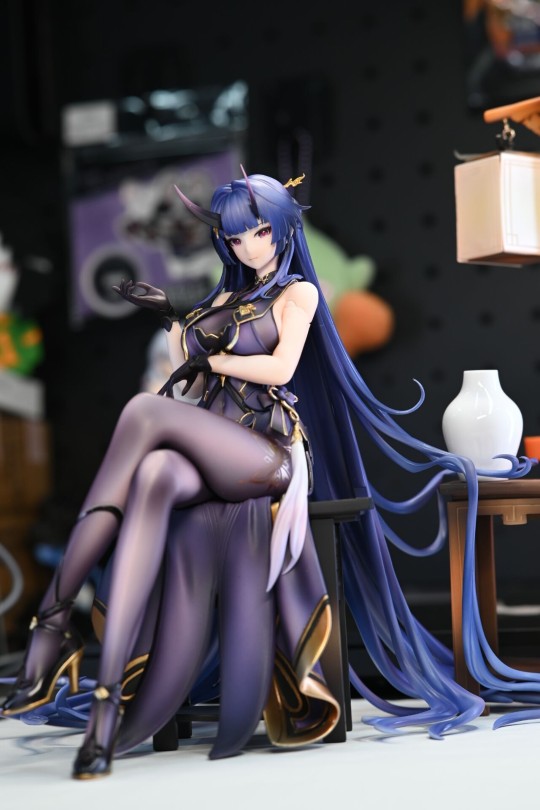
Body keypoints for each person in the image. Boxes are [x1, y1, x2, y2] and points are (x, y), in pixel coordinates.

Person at [1, 171, 532, 779]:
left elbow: (280, 369)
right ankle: (105, 703)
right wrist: (175, 325)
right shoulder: (220, 301)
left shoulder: (297, 293)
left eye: (258, 231)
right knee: (154, 474)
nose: (249, 246)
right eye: (234, 238)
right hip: (215, 448)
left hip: (269, 455)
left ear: (282, 227)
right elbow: (187, 383)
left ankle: (51, 624)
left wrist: (211, 356)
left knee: (143, 412)